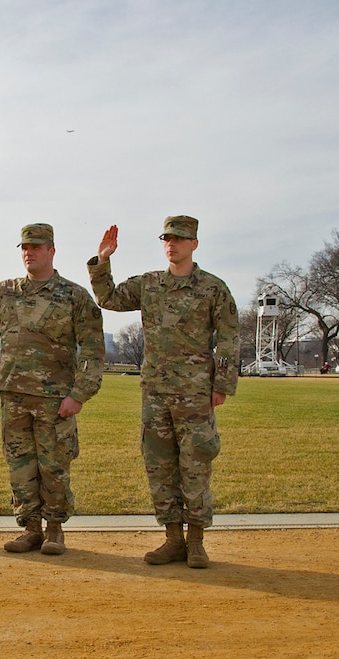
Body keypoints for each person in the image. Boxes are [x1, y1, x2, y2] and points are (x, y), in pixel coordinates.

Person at [87, 216, 239, 568]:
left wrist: (223, 385)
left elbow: (230, 339)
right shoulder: (150, 284)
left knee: (195, 465)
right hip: (155, 392)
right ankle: (172, 538)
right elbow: (108, 298)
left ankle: (196, 541)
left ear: (194, 244)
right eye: (167, 239)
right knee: (159, 467)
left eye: (181, 239)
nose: (173, 244)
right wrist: (103, 260)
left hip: (195, 394)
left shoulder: (213, 288)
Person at [0, 224, 104, 555]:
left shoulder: (74, 296)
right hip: (14, 395)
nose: (29, 252)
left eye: (36, 246)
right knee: (20, 466)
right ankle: (31, 529)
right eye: (24, 247)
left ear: (51, 250)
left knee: (54, 466)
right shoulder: (7, 290)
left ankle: (54, 530)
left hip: (55, 399)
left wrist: (80, 394)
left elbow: (93, 350)